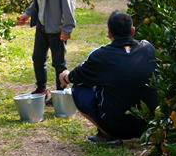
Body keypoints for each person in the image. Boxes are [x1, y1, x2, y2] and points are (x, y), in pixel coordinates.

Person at [59, 10, 158, 145]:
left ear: (109, 34)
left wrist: (65, 76)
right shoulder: (148, 48)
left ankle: (106, 134)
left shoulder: (101, 56)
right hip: (149, 125)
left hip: (117, 127)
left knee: (79, 88)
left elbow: (76, 77)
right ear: (133, 31)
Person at [16, 0, 77, 104]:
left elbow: (68, 3)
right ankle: (42, 89)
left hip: (56, 27)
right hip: (42, 25)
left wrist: (67, 28)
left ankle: (60, 94)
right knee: (38, 58)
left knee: (59, 62)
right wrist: (28, 13)